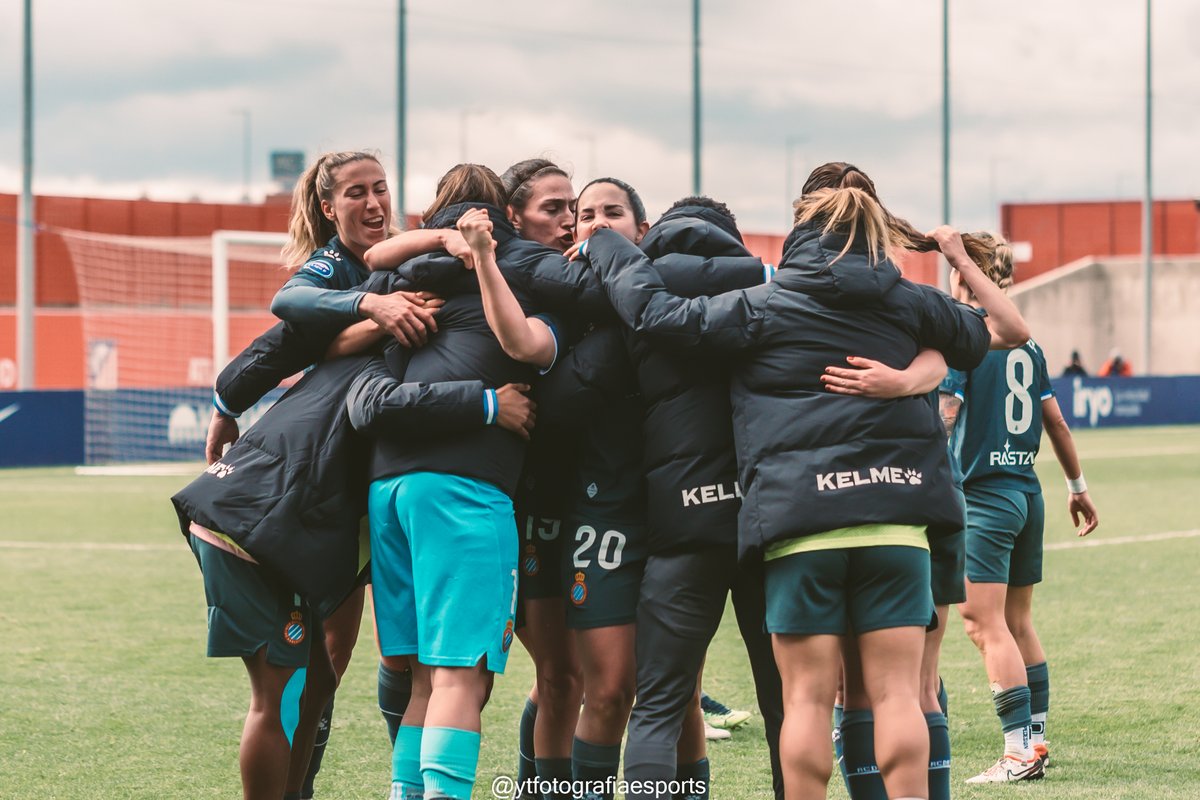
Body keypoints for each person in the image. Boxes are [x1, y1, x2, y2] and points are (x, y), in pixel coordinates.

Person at [578, 162, 1031, 800]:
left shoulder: (765, 304)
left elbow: (657, 317)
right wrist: (930, 326)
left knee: (808, 703)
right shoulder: (907, 300)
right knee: (901, 693)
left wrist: (610, 249)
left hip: (801, 525)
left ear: (799, 229)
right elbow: (1006, 331)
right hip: (895, 519)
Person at [346, 163, 609, 800]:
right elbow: (529, 345)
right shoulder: (530, 287)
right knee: (461, 677)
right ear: (506, 217)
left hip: (389, 490)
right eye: (558, 210)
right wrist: (491, 404)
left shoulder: (408, 285)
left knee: (423, 683)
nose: (571, 223)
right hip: (464, 488)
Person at [949, 232, 1100, 784]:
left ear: (964, 274)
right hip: (1027, 492)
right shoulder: (1028, 345)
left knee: (982, 622)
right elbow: (1055, 421)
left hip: (985, 497)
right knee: (1017, 620)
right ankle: (1035, 738)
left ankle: (1018, 753)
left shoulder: (963, 338)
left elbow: (944, 416)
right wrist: (1077, 485)